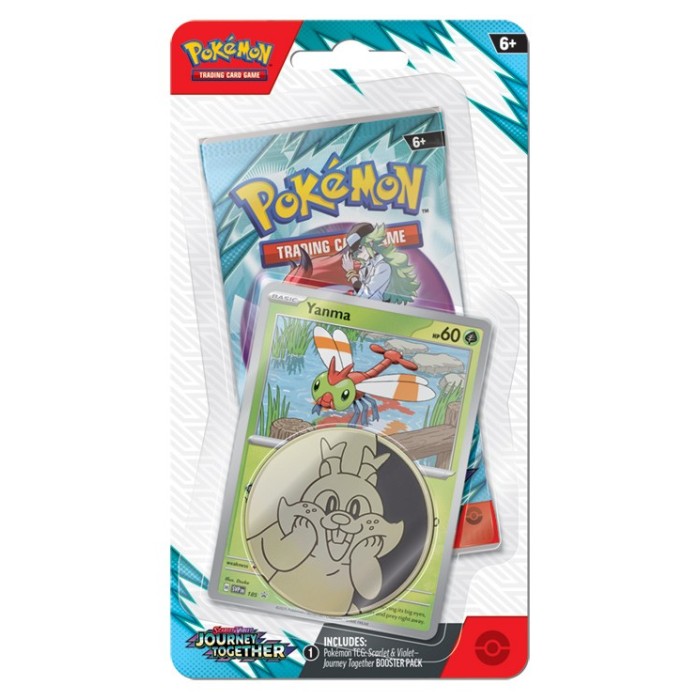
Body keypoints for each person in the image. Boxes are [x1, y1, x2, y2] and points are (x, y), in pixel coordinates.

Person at [340, 223, 418, 304]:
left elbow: (365, 294)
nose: (358, 255)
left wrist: (351, 273)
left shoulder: (383, 266)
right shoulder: (365, 267)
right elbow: (359, 295)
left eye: (360, 248)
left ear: (370, 242)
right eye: (355, 252)